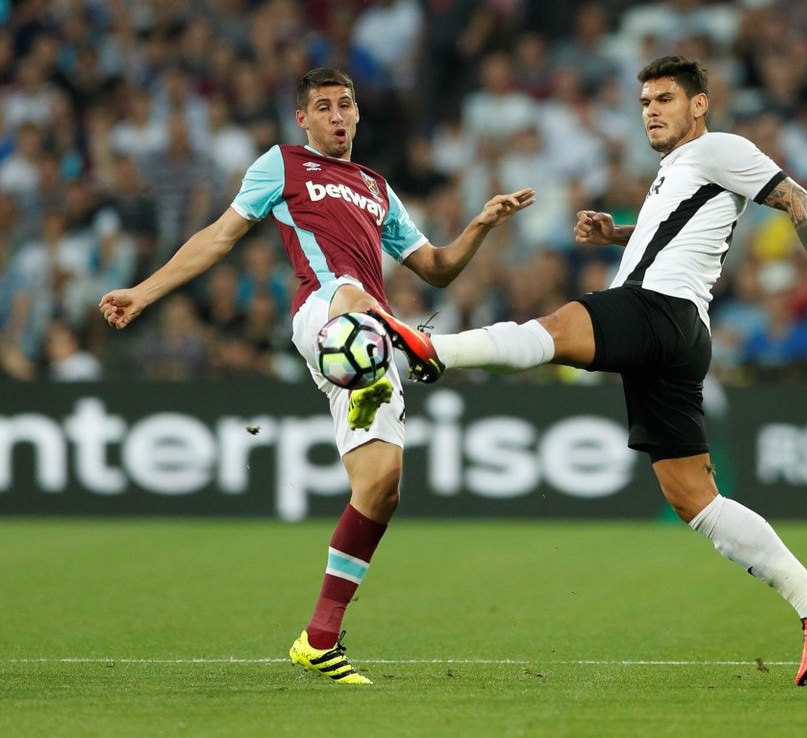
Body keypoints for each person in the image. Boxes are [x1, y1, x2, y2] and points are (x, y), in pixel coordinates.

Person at [370, 56, 807, 687]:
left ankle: (437, 351)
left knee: (554, 331)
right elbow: (678, 233)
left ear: (699, 104)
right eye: (645, 102)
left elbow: (802, 201)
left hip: (659, 309)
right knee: (695, 500)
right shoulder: (678, 169)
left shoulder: (720, 149)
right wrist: (618, 235)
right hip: (680, 332)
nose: (651, 111)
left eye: (664, 99)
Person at [99, 68, 534, 685]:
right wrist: (143, 293)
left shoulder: (377, 188)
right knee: (353, 291)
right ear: (302, 118)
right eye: (323, 106)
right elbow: (219, 237)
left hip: (364, 351)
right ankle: (414, 340)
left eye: (345, 105)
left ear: (357, 115)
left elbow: (436, 268)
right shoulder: (282, 164)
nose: (336, 115)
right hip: (324, 316)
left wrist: (481, 225)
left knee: (380, 487)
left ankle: (319, 639)